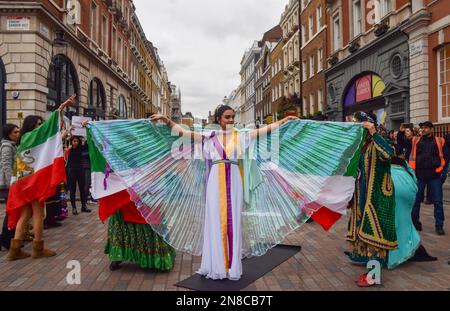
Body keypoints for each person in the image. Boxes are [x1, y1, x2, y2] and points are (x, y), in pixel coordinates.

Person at [6, 95, 76, 261]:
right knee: (38, 215)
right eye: (38, 124)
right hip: (32, 184)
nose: (40, 126)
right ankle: (38, 247)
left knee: (25, 214)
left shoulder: (23, 139)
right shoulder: (34, 136)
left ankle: (14, 249)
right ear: (32, 126)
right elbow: (47, 131)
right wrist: (61, 107)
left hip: (21, 183)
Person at [346, 111, 397, 287]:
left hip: (377, 198)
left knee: (375, 239)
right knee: (365, 237)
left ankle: (374, 276)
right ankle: (370, 272)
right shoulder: (362, 145)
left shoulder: (378, 140)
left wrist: (374, 132)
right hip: (362, 196)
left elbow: (388, 154)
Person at [399, 121, 445, 235]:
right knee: (416, 201)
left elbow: (446, 156)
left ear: (432, 129)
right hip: (419, 176)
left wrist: (441, 170)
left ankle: (439, 226)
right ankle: (415, 223)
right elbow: (402, 143)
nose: (423, 129)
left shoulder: (439, 141)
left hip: (434, 176)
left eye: (425, 128)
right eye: (422, 128)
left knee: (438, 202)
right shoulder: (416, 140)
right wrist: (401, 133)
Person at [0, 124, 20, 250]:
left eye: (18, 131)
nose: (18, 134)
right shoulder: (7, 146)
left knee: (12, 211)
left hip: (11, 182)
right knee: (11, 211)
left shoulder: (12, 145)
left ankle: (7, 238)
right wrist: (11, 183)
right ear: (8, 134)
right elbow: (6, 165)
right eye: (15, 132)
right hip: (8, 185)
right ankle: (6, 239)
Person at [65, 136, 91, 215]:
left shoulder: (81, 148)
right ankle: (74, 208)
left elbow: (87, 149)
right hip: (72, 171)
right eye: (74, 141)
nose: (75, 142)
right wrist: (67, 150)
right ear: (71, 142)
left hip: (80, 170)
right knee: (72, 189)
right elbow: (65, 159)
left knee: (82, 189)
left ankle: (84, 206)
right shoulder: (69, 150)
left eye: (76, 141)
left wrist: (84, 141)